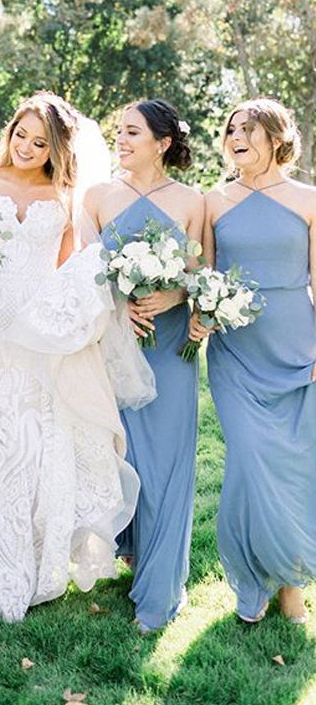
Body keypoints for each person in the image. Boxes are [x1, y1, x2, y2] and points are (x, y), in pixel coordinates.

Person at [0, 91, 155, 622]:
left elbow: (70, 268)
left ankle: (23, 559)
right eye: (21, 135)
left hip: (34, 333)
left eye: (40, 143)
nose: (26, 147)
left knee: (25, 439)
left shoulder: (64, 198)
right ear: (9, 132)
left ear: (56, 150)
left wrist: (81, 316)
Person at [191, 97, 316, 623]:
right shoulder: (213, 201)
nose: (236, 137)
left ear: (277, 137)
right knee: (249, 462)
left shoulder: (308, 200)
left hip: (297, 350)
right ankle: (250, 580)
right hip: (237, 353)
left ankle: (290, 582)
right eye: (231, 129)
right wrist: (200, 314)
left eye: (249, 128)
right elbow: (205, 275)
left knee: (293, 467)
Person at [84, 99, 204, 632]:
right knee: (124, 455)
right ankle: (130, 548)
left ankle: (160, 589)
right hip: (116, 345)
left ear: (162, 142)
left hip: (170, 348)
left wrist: (174, 295)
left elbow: (201, 273)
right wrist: (119, 305)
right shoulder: (97, 196)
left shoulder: (191, 201)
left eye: (133, 132)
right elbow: (82, 274)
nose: (122, 140)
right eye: (119, 131)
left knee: (167, 464)